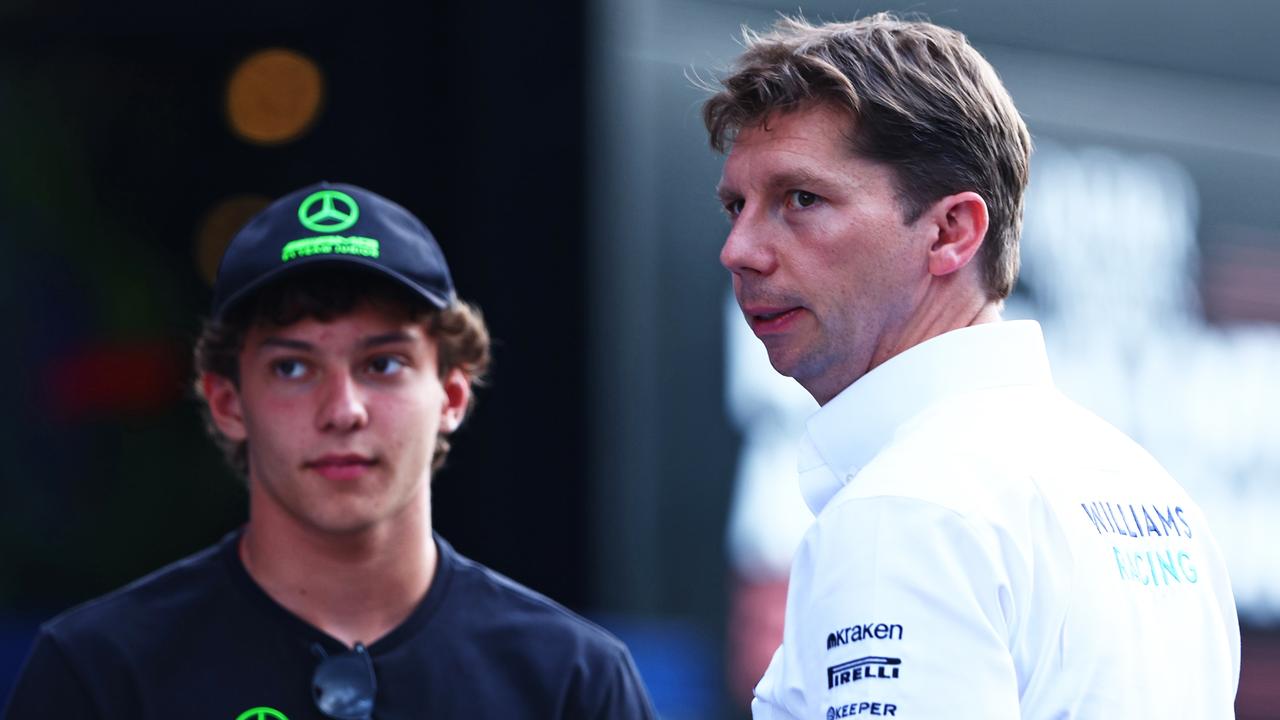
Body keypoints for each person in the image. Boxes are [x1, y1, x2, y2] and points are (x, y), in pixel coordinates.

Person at [704, 14, 1240, 719]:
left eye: (801, 200)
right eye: (736, 206)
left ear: (952, 231)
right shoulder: (1155, 497)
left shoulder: (904, 508)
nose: (739, 250)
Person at [3, 182, 658, 720]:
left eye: (384, 364)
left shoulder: (571, 680)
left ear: (452, 397)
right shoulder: (98, 674)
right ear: (228, 402)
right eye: (293, 368)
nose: (343, 409)